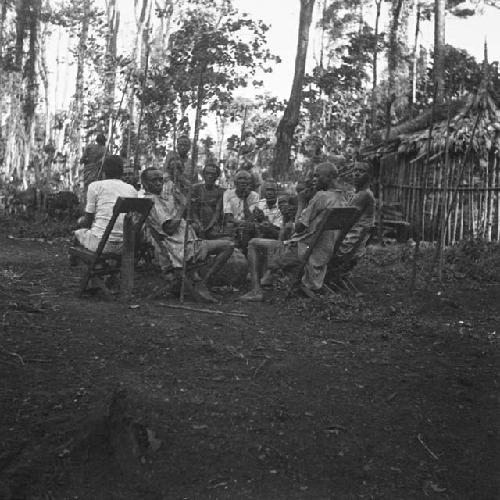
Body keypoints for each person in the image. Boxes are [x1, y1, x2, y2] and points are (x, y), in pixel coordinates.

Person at [240, 162, 344, 301]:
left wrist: (301, 201)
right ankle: (268, 277)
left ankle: (256, 291)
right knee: (282, 235)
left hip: (304, 253)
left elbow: (299, 226)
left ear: (330, 177)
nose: (314, 179)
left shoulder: (321, 196)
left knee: (253, 243)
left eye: (317, 176)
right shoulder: (342, 197)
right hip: (324, 252)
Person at [141, 167, 234, 303]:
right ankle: (203, 283)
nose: (158, 183)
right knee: (229, 245)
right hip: (180, 250)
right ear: (144, 183)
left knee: (220, 238)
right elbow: (171, 228)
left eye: (160, 179)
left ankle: (193, 282)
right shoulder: (152, 201)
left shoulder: (160, 198)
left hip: (185, 245)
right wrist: (183, 205)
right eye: (153, 180)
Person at [74, 155, 138, 253]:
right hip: (125, 245)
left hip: (101, 245)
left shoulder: (95, 186)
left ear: (103, 171)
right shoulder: (131, 189)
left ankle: (76, 262)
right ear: (121, 172)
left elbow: (88, 220)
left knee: (78, 232)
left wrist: (80, 222)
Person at [328, 171, 375, 277]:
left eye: (362, 171)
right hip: (353, 245)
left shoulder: (364, 195)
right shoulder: (363, 194)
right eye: (355, 171)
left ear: (369, 176)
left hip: (346, 246)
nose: (356, 174)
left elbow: (343, 219)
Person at [191, 161, 225, 239]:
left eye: (213, 174)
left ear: (217, 176)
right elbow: (193, 211)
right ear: (203, 175)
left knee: (214, 233)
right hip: (198, 222)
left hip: (213, 224)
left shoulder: (221, 191)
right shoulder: (196, 189)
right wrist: (199, 224)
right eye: (207, 173)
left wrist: (208, 227)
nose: (210, 176)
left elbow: (217, 211)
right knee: (193, 228)